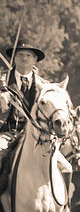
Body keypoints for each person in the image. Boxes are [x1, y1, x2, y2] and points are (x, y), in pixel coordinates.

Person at [0, 41, 51, 196]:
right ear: (14, 58)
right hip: (6, 134)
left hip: (35, 137)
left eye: (29, 55)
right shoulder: (2, 81)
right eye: (20, 55)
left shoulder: (45, 86)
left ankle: (64, 207)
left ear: (35, 60)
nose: (24, 58)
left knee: (65, 167)